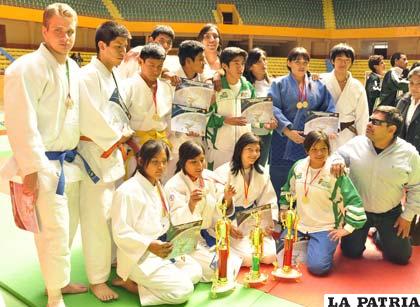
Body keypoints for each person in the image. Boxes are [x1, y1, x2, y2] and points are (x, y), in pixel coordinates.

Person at [2, 3, 86, 307]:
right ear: (44, 31)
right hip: (44, 164)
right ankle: (53, 295)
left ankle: (61, 282)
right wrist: (31, 169)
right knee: (52, 232)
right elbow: (21, 122)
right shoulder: (24, 68)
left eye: (71, 31)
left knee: (67, 229)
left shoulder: (72, 67)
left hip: (70, 162)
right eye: (58, 31)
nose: (66, 38)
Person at [78, 21, 133, 301]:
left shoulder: (113, 75)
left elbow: (118, 113)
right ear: (101, 45)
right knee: (96, 219)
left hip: (112, 152)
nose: (123, 53)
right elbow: (90, 117)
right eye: (118, 47)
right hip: (93, 154)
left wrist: (123, 135)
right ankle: (97, 280)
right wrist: (118, 138)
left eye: (125, 48)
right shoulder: (87, 76)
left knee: (111, 214)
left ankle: (111, 260)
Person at [111, 140, 201, 305]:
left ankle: (146, 283)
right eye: (154, 162)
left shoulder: (157, 185)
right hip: (139, 256)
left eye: (164, 162)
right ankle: (131, 283)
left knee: (196, 272)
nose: (161, 167)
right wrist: (149, 245)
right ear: (140, 161)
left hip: (161, 250)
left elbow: (164, 222)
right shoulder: (127, 191)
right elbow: (120, 232)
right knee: (185, 290)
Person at [332, 106, 420, 265]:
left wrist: (407, 216)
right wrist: (337, 161)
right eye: (370, 119)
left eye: (376, 122)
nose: (369, 124)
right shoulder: (357, 142)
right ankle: (376, 234)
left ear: (391, 129)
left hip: (390, 213)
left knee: (401, 258)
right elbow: (338, 155)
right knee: (351, 252)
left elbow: (417, 187)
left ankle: (380, 236)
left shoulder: (409, 154)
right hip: (358, 212)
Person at [280, 130, 366, 275]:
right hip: (300, 225)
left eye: (323, 149)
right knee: (279, 255)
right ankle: (311, 244)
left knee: (318, 268)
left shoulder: (336, 171)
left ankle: (319, 246)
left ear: (329, 150)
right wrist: (284, 209)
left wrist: (347, 228)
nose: (319, 153)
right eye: (314, 149)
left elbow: (354, 200)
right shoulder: (298, 166)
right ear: (306, 150)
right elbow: (288, 189)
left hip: (325, 227)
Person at [164, 140, 242, 281]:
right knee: (219, 270)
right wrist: (191, 205)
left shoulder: (208, 177)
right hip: (184, 241)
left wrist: (227, 198)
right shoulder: (174, 186)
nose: (200, 166)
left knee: (232, 262)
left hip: (206, 235)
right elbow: (175, 222)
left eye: (202, 160)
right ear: (183, 163)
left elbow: (217, 208)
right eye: (193, 162)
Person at [268, 47, 335, 200]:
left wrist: (323, 130)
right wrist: (287, 131)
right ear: (289, 63)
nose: (302, 65)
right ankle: (284, 216)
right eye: (297, 61)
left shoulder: (319, 85)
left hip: (310, 141)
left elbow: (329, 108)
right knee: (282, 181)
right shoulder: (278, 84)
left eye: (305, 62)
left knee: (308, 182)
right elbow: (272, 107)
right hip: (283, 139)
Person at [215, 132, 278, 266]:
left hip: (253, 220)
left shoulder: (261, 172)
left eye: (257, 150)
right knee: (249, 259)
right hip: (231, 222)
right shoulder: (224, 171)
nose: (254, 154)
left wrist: (269, 222)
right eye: (249, 149)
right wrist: (227, 198)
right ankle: (225, 247)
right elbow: (215, 206)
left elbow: (269, 200)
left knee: (270, 256)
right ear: (240, 150)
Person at [124, 43, 174, 177]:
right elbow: (121, 120)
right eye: (151, 65)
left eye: (159, 66)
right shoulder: (127, 86)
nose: (156, 71)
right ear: (140, 61)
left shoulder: (166, 87)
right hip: (136, 146)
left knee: (158, 185)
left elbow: (168, 119)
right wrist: (134, 146)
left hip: (160, 146)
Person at [206, 47, 255, 170]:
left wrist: (266, 124)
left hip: (244, 149)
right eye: (236, 63)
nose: (240, 67)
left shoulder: (248, 87)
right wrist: (224, 120)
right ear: (225, 66)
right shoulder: (216, 87)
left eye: (243, 64)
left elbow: (255, 115)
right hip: (220, 149)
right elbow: (204, 117)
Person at [166, 40, 209, 179]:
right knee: (171, 178)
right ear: (188, 61)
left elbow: (207, 110)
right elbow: (165, 111)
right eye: (201, 59)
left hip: (197, 139)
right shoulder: (171, 81)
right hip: (175, 141)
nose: (205, 63)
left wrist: (201, 125)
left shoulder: (205, 81)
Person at [320, 43, 369, 149]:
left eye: (347, 60)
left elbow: (362, 115)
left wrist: (362, 139)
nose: (343, 63)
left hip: (348, 134)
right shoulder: (321, 81)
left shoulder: (357, 86)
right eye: (339, 59)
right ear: (332, 61)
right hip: (324, 132)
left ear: (351, 62)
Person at [396, 66, 420, 245]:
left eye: (419, 84)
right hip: (406, 153)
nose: (414, 88)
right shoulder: (403, 100)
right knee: (409, 191)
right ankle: (407, 225)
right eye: (411, 83)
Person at [244, 47, 277, 166]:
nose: (263, 63)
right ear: (250, 66)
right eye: (258, 61)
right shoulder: (245, 84)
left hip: (265, 133)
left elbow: (277, 108)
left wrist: (273, 121)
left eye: (264, 59)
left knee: (260, 168)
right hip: (247, 132)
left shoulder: (274, 83)